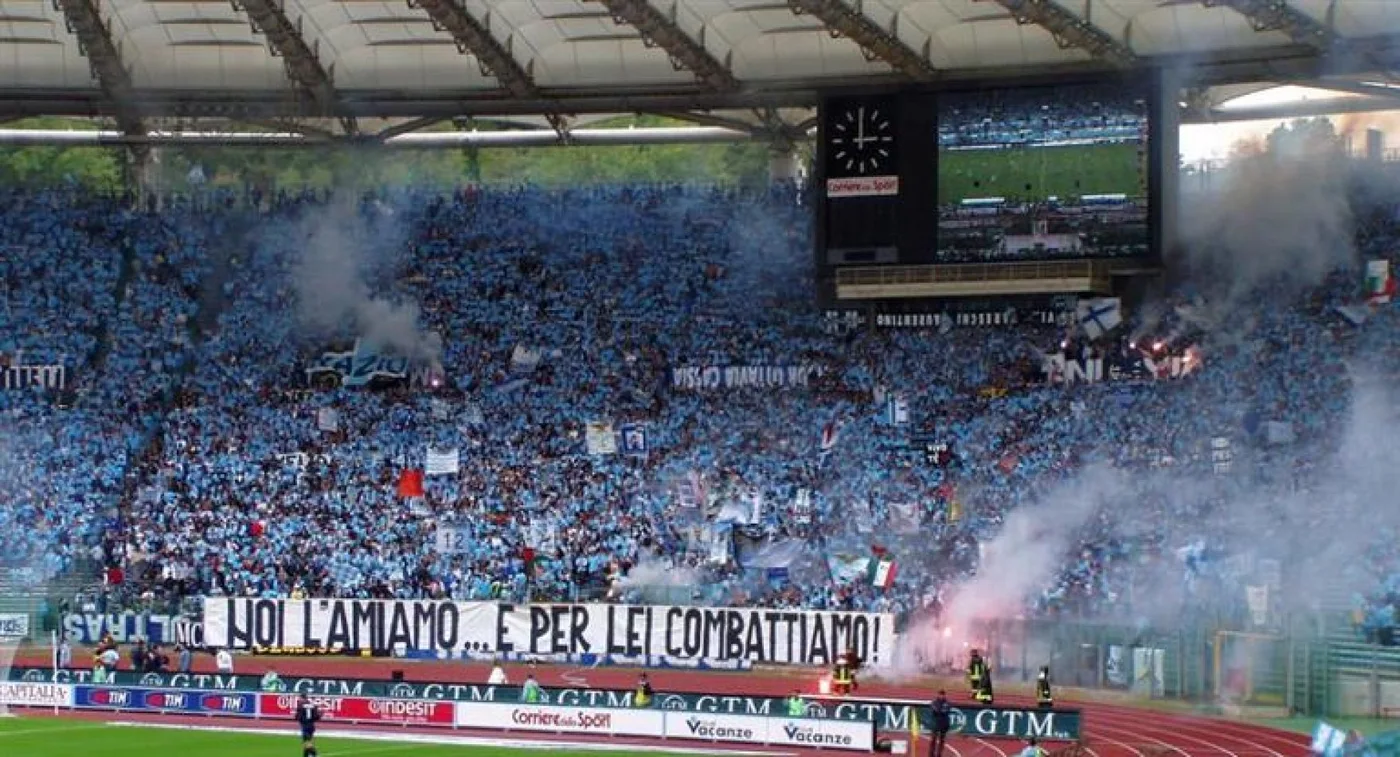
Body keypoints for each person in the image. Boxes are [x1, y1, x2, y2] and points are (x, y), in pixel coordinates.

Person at [929, 689, 952, 757]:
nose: (941, 696)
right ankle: (931, 754)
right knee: (933, 739)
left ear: (945, 695)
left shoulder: (947, 703)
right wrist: (940, 710)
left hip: (944, 724)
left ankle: (939, 754)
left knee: (942, 740)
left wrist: (939, 710)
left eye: (943, 694)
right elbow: (935, 710)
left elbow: (946, 711)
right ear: (938, 695)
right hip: (935, 724)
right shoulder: (934, 702)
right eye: (940, 694)